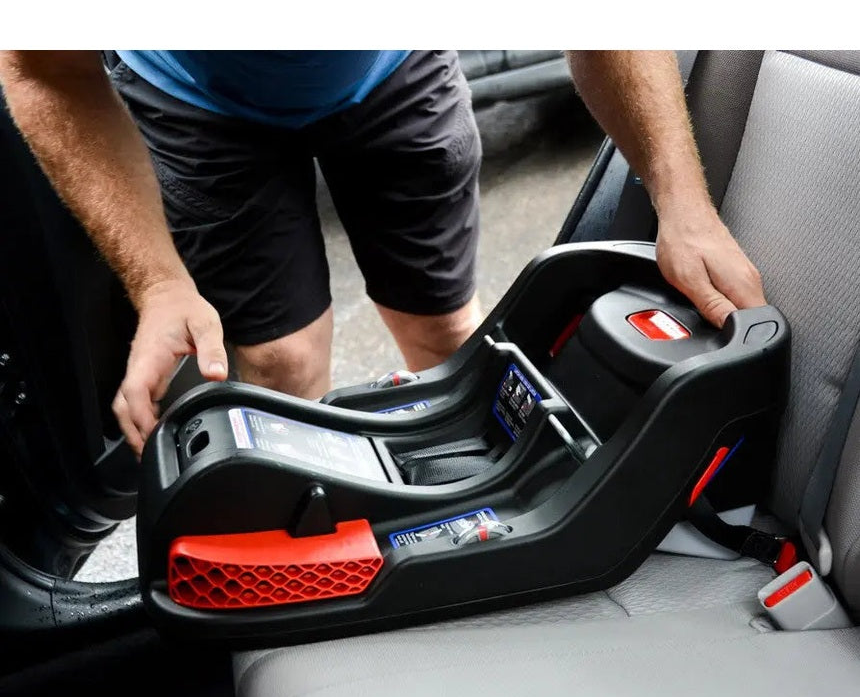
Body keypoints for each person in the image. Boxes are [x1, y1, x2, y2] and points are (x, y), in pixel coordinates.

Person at [0, 50, 765, 457]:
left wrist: (683, 202)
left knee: (446, 341)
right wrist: (160, 284)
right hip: (198, 97)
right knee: (280, 369)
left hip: (388, 69)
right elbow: (43, 71)